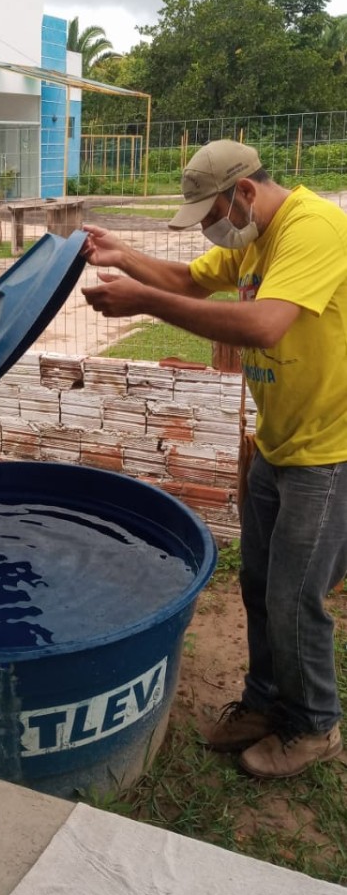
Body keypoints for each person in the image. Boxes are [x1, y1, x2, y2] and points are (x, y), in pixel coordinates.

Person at [81, 138, 347, 778]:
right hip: (281, 438)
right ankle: (265, 704)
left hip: (331, 450)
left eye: (210, 216)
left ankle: (314, 726)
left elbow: (263, 327)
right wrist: (125, 257)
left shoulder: (314, 228)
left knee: (293, 594)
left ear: (244, 194)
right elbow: (184, 279)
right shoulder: (256, 236)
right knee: (257, 584)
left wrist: (142, 302)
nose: (209, 230)